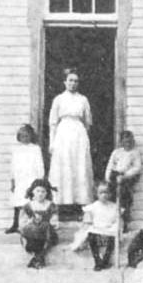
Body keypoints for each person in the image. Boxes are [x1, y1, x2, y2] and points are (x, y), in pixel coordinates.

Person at [48, 68, 94, 208]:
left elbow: (88, 122)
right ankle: (62, 202)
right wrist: (52, 142)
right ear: (65, 82)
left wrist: (84, 137)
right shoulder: (59, 99)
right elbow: (53, 123)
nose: (73, 83)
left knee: (79, 165)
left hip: (79, 134)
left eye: (75, 81)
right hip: (63, 134)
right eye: (70, 80)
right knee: (64, 165)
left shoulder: (83, 99)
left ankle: (81, 202)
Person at [6, 124, 45, 234]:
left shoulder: (35, 149)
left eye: (27, 136)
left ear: (31, 136)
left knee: (30, 201)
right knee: (18, 201)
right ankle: (15, 224)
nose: (25, 138)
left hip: (31, 177)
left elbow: (39, 164)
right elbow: (13, 165)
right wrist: (13, 180)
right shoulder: (16, 149)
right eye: (22, 136)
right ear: (19, 137)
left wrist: (39, 179)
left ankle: (30, 224)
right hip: (20, 178)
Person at [104, 130, 142, 232]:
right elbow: (110, 166)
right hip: (114, 176)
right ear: (121, 142)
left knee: (124, 201)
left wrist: (125, 176)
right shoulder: (117, 152)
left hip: (126, 178)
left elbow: (137, 168)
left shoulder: (135, 153)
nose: (128, 144)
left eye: (130, 141)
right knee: (111, 200)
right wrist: (107, 178)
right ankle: (110, 224)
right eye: (125, 141)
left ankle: (123, 225)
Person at [19, 178, 59, 269]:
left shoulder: (51, 206)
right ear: (33, 192)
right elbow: (22, 223)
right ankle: (39, 258)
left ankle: (36, 258)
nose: (40, 194)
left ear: (47, 193)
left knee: (45, 226)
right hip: (32, 232)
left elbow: (54, 220)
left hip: (46, 233)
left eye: (43, 191)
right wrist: (30, 221)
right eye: (38, 191)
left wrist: (52, 222)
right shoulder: (28, 206)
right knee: (32, 230)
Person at [81, 181, 120, 271]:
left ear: (110, 194)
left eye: (106, 192)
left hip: (109, 229)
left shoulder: (114, 206)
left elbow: (118, 220)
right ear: (97, 194)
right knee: (91, 235)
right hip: (97, 229)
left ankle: (106, 259)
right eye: (101, 193)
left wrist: (115, 227)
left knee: (113, 236)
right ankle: (97, 260)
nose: (104, 195)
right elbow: (87, 219)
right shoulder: (94, 206)